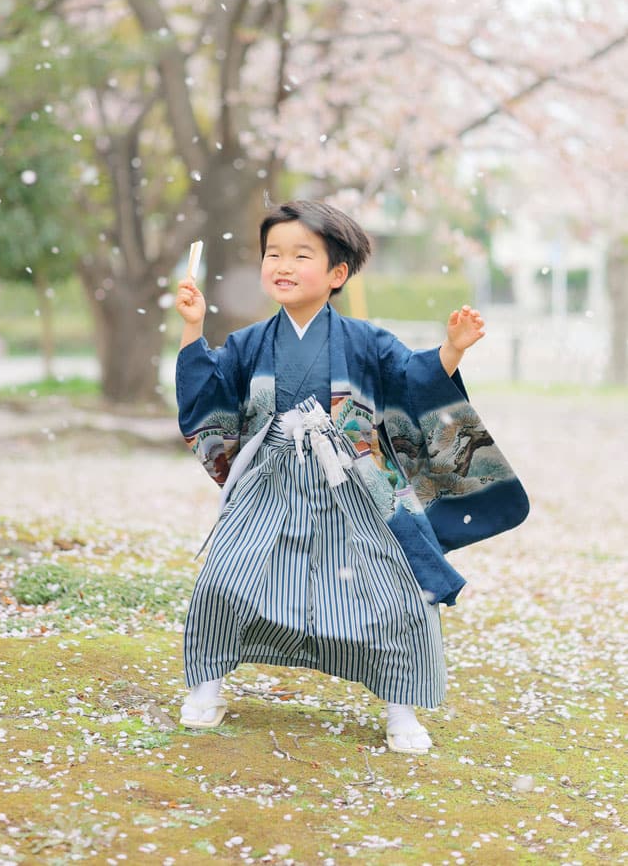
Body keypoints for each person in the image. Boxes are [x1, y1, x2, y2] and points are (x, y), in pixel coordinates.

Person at [174, 200, 528, 753]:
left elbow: (413, 381)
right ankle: (206, 685)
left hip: (356, 486)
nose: (282, 265)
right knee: (226, 579)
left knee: (394, 596)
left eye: (300, 255)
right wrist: (192, 329)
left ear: (337, 273)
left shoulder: (366, 342)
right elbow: (208, 393)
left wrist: (450, 351)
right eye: (273, 254)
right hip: (270, 481)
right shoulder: (249, 343)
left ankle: (400, 705)